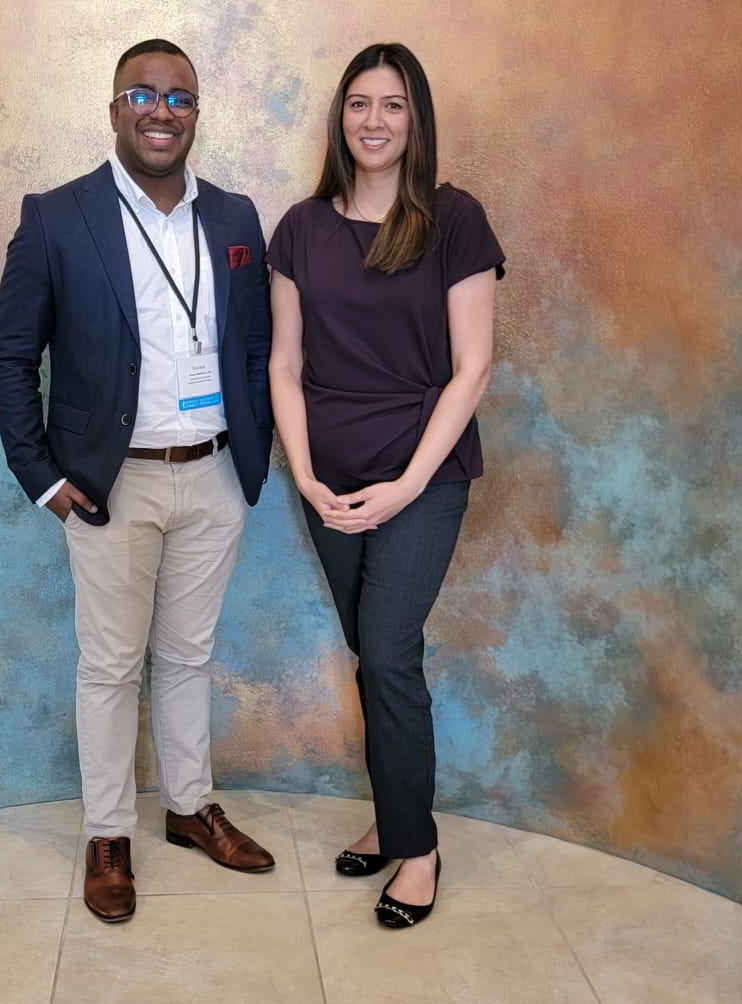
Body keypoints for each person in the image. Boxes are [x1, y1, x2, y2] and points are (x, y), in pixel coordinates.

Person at [0, 38, 275, 924]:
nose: (161, 112)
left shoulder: (234, 218)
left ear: (196, 114)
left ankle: (189, 807)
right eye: (142, 96)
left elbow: (255, 347)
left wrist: (256, 453)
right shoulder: (56, 216)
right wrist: (42, 477)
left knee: (189, 657)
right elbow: (9, 358)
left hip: (216, 474)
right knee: (111, 667)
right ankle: (109, 832)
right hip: (110, 484)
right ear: (115, 110)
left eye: (179, 98)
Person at [267, 42, 505, 928]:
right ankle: (395, 812)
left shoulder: (453, 219)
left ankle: (419, 850)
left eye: (394, 105)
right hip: (326, 481)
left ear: (417, 120)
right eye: (360, 104)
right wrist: (302, 470)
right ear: (340, 119)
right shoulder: (300, 227)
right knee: (373, 653)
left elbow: (472, 370)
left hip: (423, 475)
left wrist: (406, 485)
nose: (374, 121)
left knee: (392, 650)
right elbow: (284, 367)